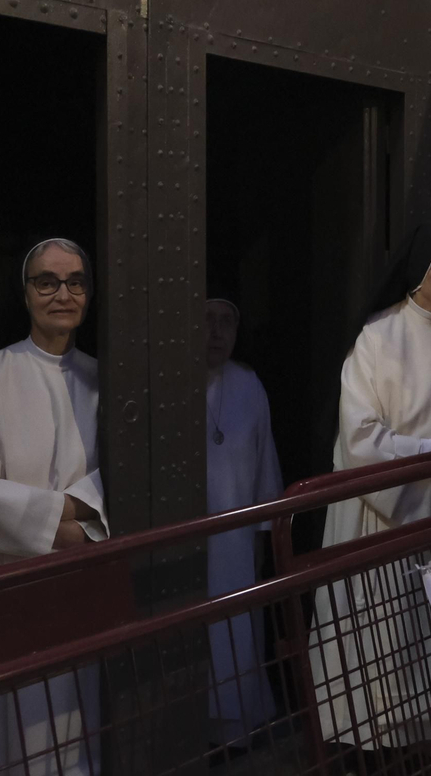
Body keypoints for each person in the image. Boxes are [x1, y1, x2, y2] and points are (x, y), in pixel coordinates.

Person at [308, 222, 431, 765]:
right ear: (423, 272)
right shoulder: (378, 336)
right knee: (379, 654)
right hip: (380, 515)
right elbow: (361, 439)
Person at [0, 237, 106, 775]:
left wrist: (74, 526)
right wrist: (62, 526)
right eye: (47, 281)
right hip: (11, 582)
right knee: (17, 728)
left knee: (79, 716)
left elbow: (124, 472)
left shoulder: (106, 378)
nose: (62, 293)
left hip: (82, 577)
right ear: (26, 293)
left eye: (75, 282)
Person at [201, 289, 283, 753]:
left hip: (234, 541)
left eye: (226, 322)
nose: (216, 333)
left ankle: (232, 733)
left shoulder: (248, 384)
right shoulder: (168, 380)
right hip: (187, 543)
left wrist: (262, 534)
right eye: (206, 320)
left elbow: (264, 462)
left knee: (235, 631)